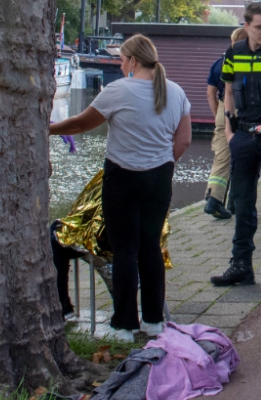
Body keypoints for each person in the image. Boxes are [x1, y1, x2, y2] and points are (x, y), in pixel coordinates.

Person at [50, 34, 192, 342]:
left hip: (123, 179)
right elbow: (183, 141)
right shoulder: (177, 91)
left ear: (133, 61)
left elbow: (80, 125)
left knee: (125, 251)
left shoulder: (118, 90)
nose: (120, 64)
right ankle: (154, 321)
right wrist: (162, 166)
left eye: (122, 59)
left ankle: (125, 325)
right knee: (151, 248)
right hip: (159, 179)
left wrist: (48, 128)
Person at [211, 3, 261, 288]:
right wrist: (229, 130)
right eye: (259, 27)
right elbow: (227, 90)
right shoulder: (233, 54)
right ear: (246, 25)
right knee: (242, 202)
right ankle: (241, 265)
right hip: (244, 135)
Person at [203, 27, 247, 219]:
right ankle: (236, 202)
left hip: (223, 108)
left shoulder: (219, 62)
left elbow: (210, 93)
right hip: (245, 110)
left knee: (222, 157)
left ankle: (214, 198)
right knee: (244, 157)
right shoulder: (249, 63)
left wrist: (218, 116)